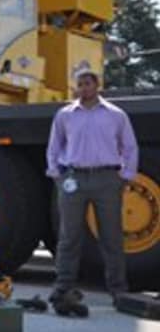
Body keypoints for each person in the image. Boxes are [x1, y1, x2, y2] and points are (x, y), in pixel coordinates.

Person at [46, 66, 139, 307]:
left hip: (106, 179)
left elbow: (129, 146)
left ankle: (118, 289)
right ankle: (63, 286)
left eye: (88, 83)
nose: (84, 88)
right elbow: (54, 146)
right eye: (80, 84)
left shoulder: (115, 115)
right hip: (73, 179)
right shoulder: (65, 115)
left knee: (111, 236)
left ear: (97, 86)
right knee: (69, 236)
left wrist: (125, 176)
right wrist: (56, 174)